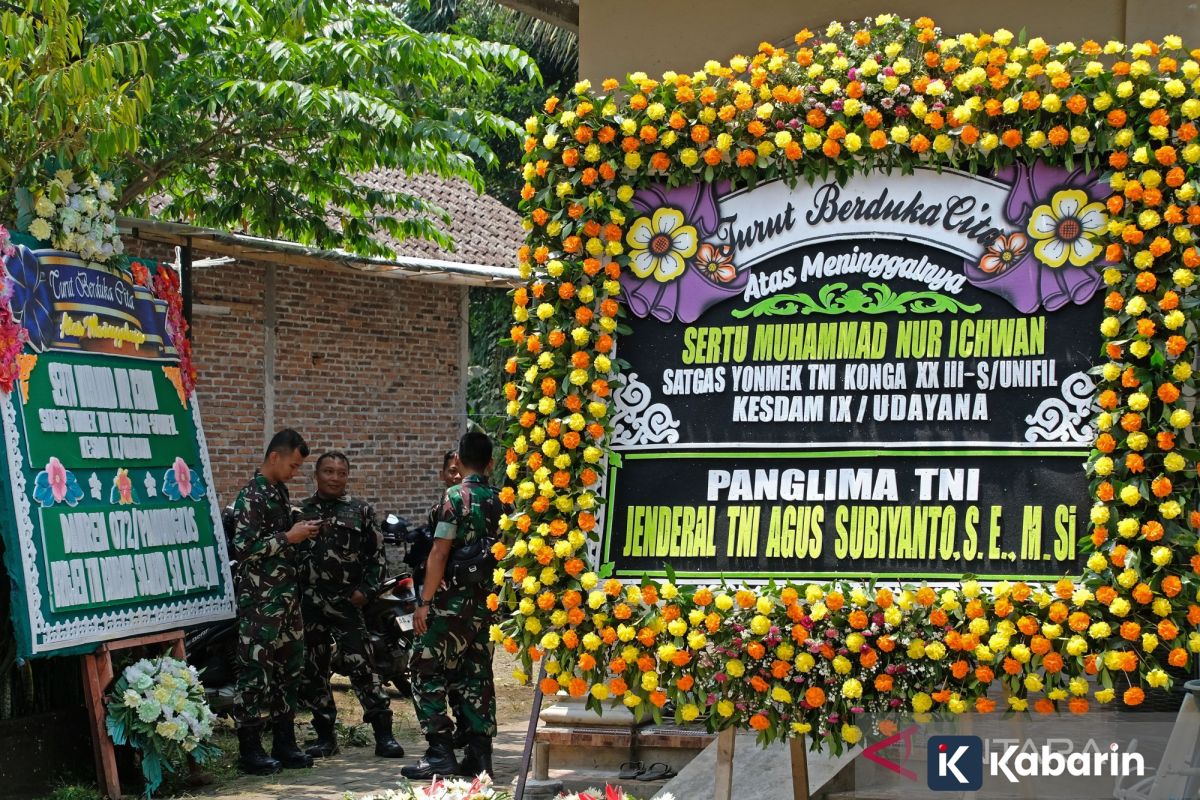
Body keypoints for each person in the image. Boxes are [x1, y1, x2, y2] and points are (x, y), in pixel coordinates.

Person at [401, 432, 505, 780]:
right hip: (486, 605)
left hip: (450, 603)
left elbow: (440, 552)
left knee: (423, 667)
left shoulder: (454, 497)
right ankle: (479, 757)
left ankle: (440, 753)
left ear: (457, 460)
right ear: (491, 464)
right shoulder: (501, 500)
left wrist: (424, 602)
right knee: (477, 675)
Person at [297, 452, 404, 759]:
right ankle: (325, 737)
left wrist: (365, 592)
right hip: (310, 605)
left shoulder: (361, 511)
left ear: (347, 476)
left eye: (341, 472)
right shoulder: (301, 512)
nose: (334, 477)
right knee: (313, 671)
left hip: (347, 603)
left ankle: (384, 735)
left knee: (363, 667)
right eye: (328, 471)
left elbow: (377, 558)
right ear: (316, 475)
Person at [230, 429, 320, 775]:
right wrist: (288, 537)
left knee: (289, 670)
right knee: (255, 672)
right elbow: (244, 549)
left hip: (286, 598)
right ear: (274, 457)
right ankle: (250, 749)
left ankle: (285, 741)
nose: (295, 472)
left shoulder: (279, 492)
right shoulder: (250, 496)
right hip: (260, 600)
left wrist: (301, 528)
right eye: (293, 466)